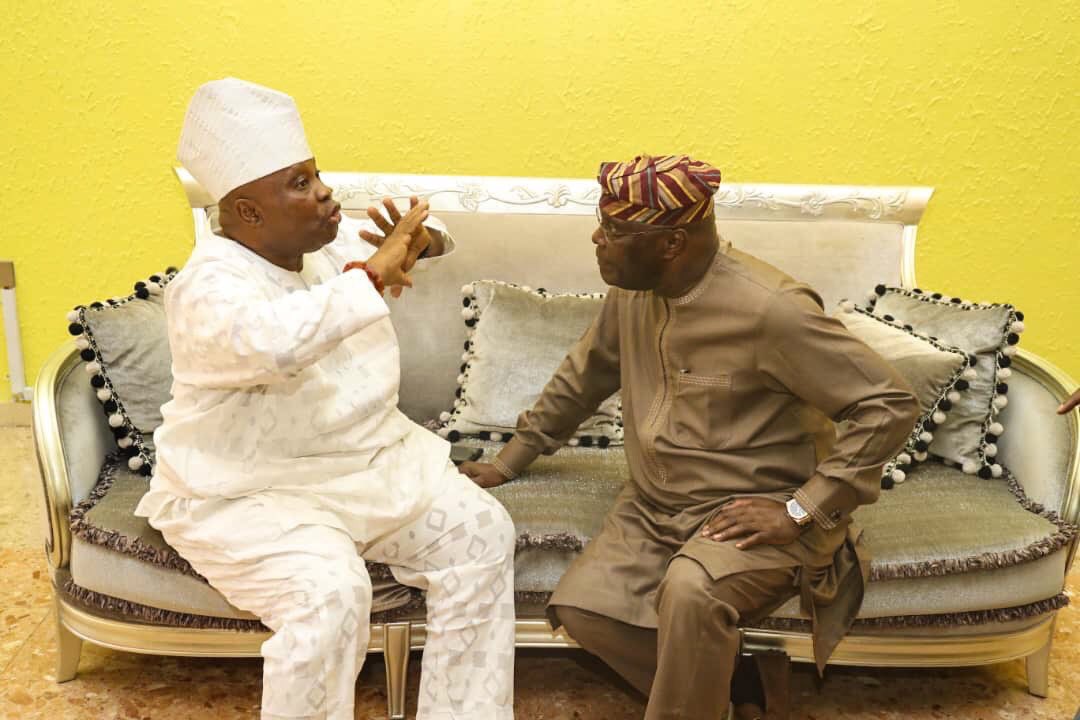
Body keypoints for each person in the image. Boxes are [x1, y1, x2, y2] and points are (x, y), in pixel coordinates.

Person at [462, 154, 919, 719]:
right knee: (582, 610)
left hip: (754, 510)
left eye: (614, 230)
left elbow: (890, 403)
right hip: (654, 507)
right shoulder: (634, 291)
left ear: (671, 243)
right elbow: (584, 377)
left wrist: (803, 509)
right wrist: (509, 460)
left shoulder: (772, 310)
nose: (597, 239)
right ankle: (737, 685)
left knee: (691, 590)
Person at [135, 78, 516, 720]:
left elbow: (433, 234)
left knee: (481, 533)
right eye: (300, 183)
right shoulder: (208, 285)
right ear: (249, 212)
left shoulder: (323, 245)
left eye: (316, 174)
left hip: (368, 469)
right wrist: (371, 275)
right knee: (328, 595)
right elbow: (272, 342)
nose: (324, 193)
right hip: (245, 493)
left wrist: (422, 240)